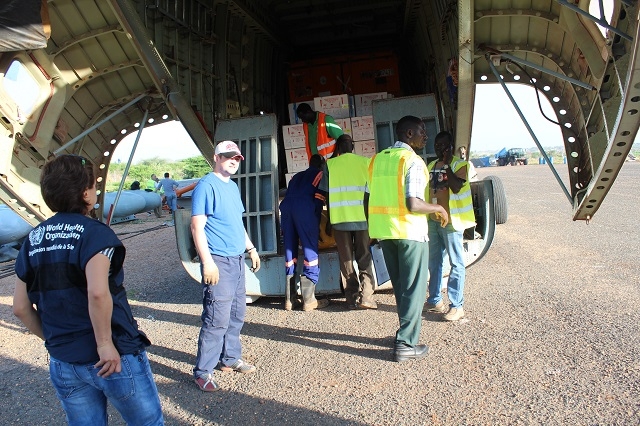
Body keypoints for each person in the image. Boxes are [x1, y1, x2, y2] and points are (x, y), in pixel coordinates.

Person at [12, 155, 164, 425]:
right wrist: (104, 344)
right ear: (85, 193)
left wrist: (56, 341)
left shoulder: (33, 239)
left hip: (63, 361)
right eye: (94, 186)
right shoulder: (95, 234)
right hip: (112, 357)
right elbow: (97, 292)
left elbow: (20, 308)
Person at [367, 116, 448, 362]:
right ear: (409, 133)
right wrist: (438, 209)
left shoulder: (377, 160)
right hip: (410, 233)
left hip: (384, 232)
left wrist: (372, 230)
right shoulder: (411, 161)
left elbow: (366, 199)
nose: (426, 136)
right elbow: (413, 203)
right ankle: (405, 344)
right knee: (414, 289)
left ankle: (403, 333)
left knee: (401, 287)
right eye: (422, 132)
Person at [191, 140, 261, 392]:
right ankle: (202, 372)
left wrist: (250, 248)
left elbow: (236, 223)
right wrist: (207, 262)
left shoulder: (231, 187)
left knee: (236, 313)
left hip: (236, 260)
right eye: (228, 156)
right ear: (216, 157)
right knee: (216, 318)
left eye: (237, 158)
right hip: (218, 260)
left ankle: (229, 359)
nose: (233, 160)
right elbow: (196, 226)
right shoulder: (206, 186)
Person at [321, 134, 377, 310]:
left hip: (339, 219)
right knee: (364, 256)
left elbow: (327, 195)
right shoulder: (366, 163)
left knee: (346, 259)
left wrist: (330, 219)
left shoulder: (330, 165)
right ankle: (367, 295)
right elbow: (370, 194)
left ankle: (352, 297)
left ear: (337, 148)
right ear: (352, 147)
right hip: (362, 219)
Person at [425, 131, 476, 321]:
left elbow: (455, 186)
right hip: (433, 221)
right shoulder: (430, 165)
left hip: (453, 222)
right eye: (437, 146)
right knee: (434, 262)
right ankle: (435, 300)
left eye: (444, 146)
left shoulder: (461, 165)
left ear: (451, 146)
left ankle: (457, 306)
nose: (440, 149)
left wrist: (446, 164)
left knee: (456, 263)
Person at [280, 154, 329, 311]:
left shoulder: (296, 176)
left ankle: (290, 300)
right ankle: (309, 300)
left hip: (287, 210)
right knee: (310, 251)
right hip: (304, 210)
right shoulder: (320, 174)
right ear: (322, 164)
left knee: (290, 251)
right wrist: (316, 222)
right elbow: (318, 198)